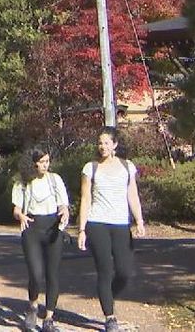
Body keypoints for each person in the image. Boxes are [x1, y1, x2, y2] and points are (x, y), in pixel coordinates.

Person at [77, 126, 147, 332]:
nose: (102, 147)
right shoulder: (90, 168)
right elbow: (86, 198)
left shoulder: (127, 167)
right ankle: (110, 317)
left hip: (121, 224)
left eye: (107, 143)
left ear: (115, 144)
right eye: (100, 143)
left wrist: (139, 220)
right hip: (97, 223)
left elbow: (132, 195)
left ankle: (106, 294)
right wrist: (81, 229)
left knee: (125, 271)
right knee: (105, 270)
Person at [11, 146, 70, 332]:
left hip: (53, 228)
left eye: (47, 161)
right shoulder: (23, 182)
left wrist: (64, 212)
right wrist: (20, 215)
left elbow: (63, 204)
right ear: (33, 164)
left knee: (52, 274)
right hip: (32, 229)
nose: (46, 165)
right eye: (42, 162)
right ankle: (33, 306)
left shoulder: (55, 179)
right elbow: (16, 210)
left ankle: (49, 317)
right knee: (36, 274)